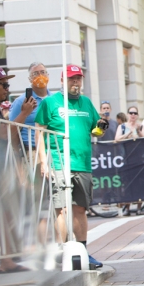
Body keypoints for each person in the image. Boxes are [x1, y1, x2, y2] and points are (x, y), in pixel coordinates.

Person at [35, 64, 108, 269]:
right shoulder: (50, 103)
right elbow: (39, 131)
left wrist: (100, 128)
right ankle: (64, 250)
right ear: (62, 81)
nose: (75, 82)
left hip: (82, 163)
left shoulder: (86, 103)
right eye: (71, 79)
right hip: (59, 162)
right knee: (61, 209)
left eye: (78, 79)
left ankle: (83, 251)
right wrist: (43, 161)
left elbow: (94, 132)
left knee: (80, 209)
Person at [0, 67, 35, 273]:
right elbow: (4, 133)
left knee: (4, 214)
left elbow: (9, 136)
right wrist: (24, 113)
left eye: (8, 85)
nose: (7, 89)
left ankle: (5, 260)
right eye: (4, 85)